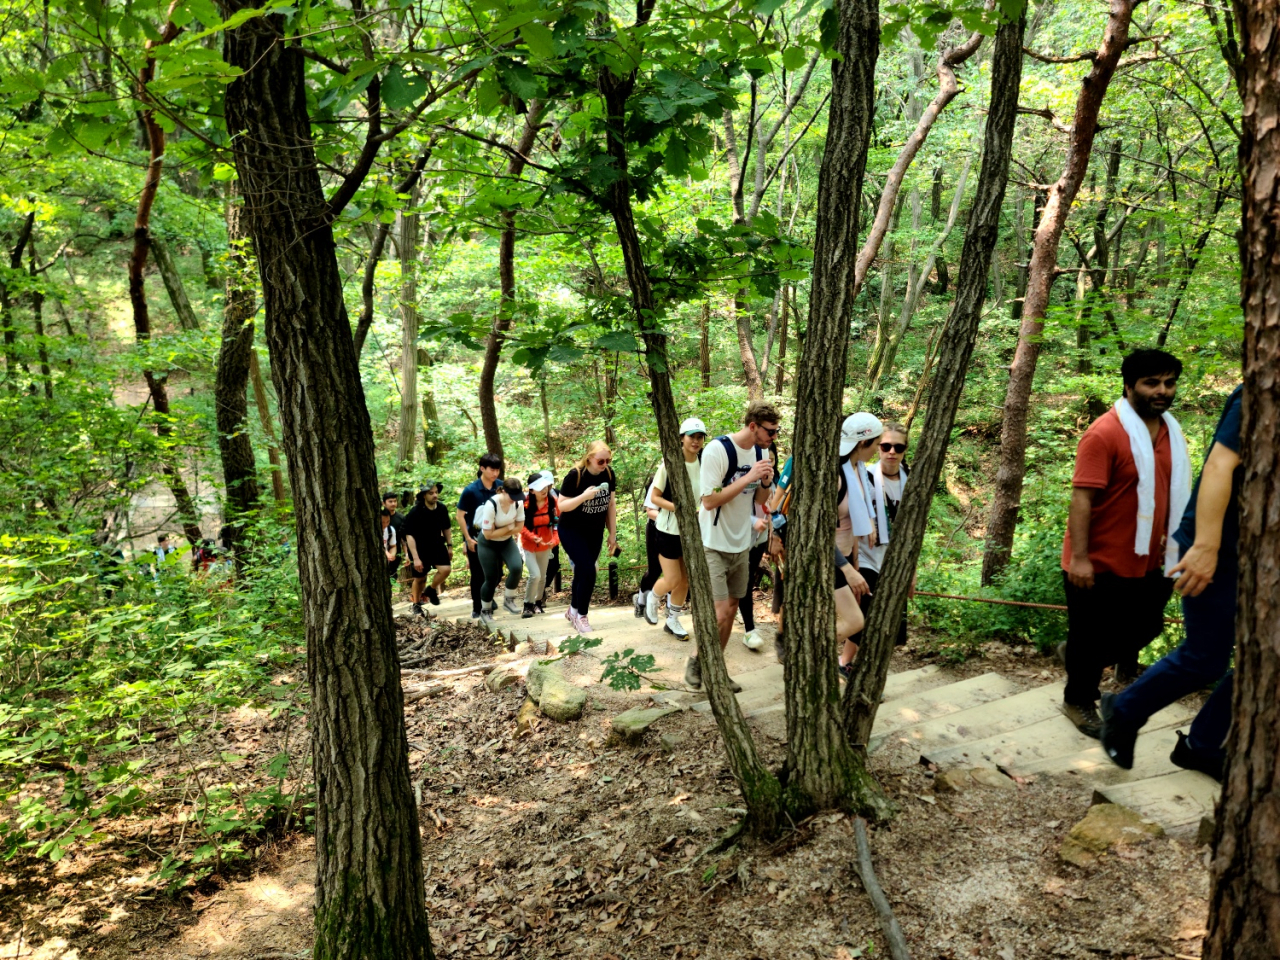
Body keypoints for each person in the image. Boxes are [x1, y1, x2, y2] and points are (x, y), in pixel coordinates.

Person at [1100, 385, 1243, 781]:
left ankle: (1203, 746)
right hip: (1215, 549)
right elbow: (1219, 465)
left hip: (1255, 558)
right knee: (1206, 658)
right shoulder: (1263, 389)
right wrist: (1206, 546)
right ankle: (1124, 711)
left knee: (1263, 661)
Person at [1060, 349, 1189, 738]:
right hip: (1099, 561)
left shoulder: (1171, 431)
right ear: (1129, 385)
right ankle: (1077, 700)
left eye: (1169, 382)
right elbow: (1082, 498)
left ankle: (1083, 656)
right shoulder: (1104, 432)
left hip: (1154, 558)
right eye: (1152, 383)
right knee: (1090, 636)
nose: (1162, 391)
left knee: (1146, 627)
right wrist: (1080, 559)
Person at [690, 400, 779, 691]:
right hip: (713, 542)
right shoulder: (718, 450)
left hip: (742, 544)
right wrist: (750, 476)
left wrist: (765, 481)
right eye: (770, 431)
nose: (773, 438)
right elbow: (709, 500)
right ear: (753, 426)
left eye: (777, 431)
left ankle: (717, 670)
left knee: (730, 610)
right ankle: (696, 660)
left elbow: (759, 501)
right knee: (718, 613)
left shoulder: (761, 451)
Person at [849, 422, 912, 655]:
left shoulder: (912, 481)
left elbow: (913, 531)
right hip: (866, 556)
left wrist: (911, 570)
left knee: (891, 623)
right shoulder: (863, 476)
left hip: (894, 560)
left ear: (905, 449)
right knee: (864, 616)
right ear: (877, 447)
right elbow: (851, 520)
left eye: (898, 447)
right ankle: (846, 662)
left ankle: (868, 667)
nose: (891, 452)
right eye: (885, 446)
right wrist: (853, 563)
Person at [645, 417, 707, 639]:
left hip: (693, 531)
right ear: (682, 437)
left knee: (686, 580)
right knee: (672, 579)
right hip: (668, 530)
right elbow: (655, 498)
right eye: (692, 436)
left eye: (700, 437)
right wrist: (679, 509)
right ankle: (652, 597)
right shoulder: (669, 463)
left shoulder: (704, 462)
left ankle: (672, 620)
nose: (696, 441)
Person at [835, 413, 879, 675]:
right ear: (862, 443)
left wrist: (855, 561)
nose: (877, 449)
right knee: (854, 621)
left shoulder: (858, 471)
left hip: (843, 558)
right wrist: (847, 569)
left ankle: (809, 654)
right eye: (876, 443)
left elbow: (851, 522)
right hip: (828, 561)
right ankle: (806, 650)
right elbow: (819, 534)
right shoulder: (838, 476)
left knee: (850, 620)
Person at [558, 441, 618, 633]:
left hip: (595, 531)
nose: (605, 464)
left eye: (608, 460)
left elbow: (610, 505)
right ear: (589, 458)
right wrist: (584, 496)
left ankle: (573, 609)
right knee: (588, 569)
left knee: (583, 572)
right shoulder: (575, 475)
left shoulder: (609, 474)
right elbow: (562, 506)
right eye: (601, 460)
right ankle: (581, 615)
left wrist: (612, 535)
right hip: (572, 530)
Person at [457, 453, 503, 620]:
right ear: (482, 468)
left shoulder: (501, 487)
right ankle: (478, 607)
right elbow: (460, 515)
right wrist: (467, 539)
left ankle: (487, 596)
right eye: (492, 469)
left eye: (497, 470)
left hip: (498, 538)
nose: (495, 473)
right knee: (477, 575)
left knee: (498, 573)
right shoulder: (471, 491)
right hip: (476, 539)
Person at [474, 477, 526, 625]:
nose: (514, 500)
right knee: (491, 577)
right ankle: (486, 610)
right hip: (487, 544)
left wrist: (503, 531)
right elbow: (488, 534)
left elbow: (519, 527)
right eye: (512, 496)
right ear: (503, 491)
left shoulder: (518, 503)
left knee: (517, 567)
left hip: (506, 542)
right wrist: (508, 528)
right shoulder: (492, 505)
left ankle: (509, 600)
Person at [404, 482, 452, 617]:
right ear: (424, 495)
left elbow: (446, 528)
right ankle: (416, 603)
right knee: (420, 578)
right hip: (420, 549)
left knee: (446, 570)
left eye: (436, 492)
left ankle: (431, 590)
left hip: (437, 544)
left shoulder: (442, 508)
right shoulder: (416, 512)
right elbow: (409, 535)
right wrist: (416, 558)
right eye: (431, 493)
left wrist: (450, 546)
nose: (435, 495)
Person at [520, 471, 559, 618]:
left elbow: (557, 524)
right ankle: (527, 605)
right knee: (534, 575)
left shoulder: (552, 501)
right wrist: (532, 537)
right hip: (529, 545)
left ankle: (537, 603)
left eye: (545, 486)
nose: (544, 490)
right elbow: (520, 526)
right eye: (539, 487)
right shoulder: (524, 504)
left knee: (542, 576)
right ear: (531, 490)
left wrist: (554, 541)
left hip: (546, 544)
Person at [633, 476, 662, 620]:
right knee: (655, 570)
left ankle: (671, 609)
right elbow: (650, 510)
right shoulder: (657, 478)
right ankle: (641, 600)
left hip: (678, 531)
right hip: (656, 528)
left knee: (678, 573)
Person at [383, 491, 406, 587]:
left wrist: (406, 554)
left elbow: (403, 539)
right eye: (390, 501)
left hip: (394, 552)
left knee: (392, 577)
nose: (393, 504)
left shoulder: (401, 518)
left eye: (395, 501)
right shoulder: (378, 516)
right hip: (382, 551)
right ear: (384, 503)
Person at [380, 508, 399, 580]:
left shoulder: (390, 530)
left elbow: (393, 546)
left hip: (385, 563)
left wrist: (392, 555)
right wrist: (386, 553)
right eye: (382, 522)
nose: (385, 525)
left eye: (387, 522)